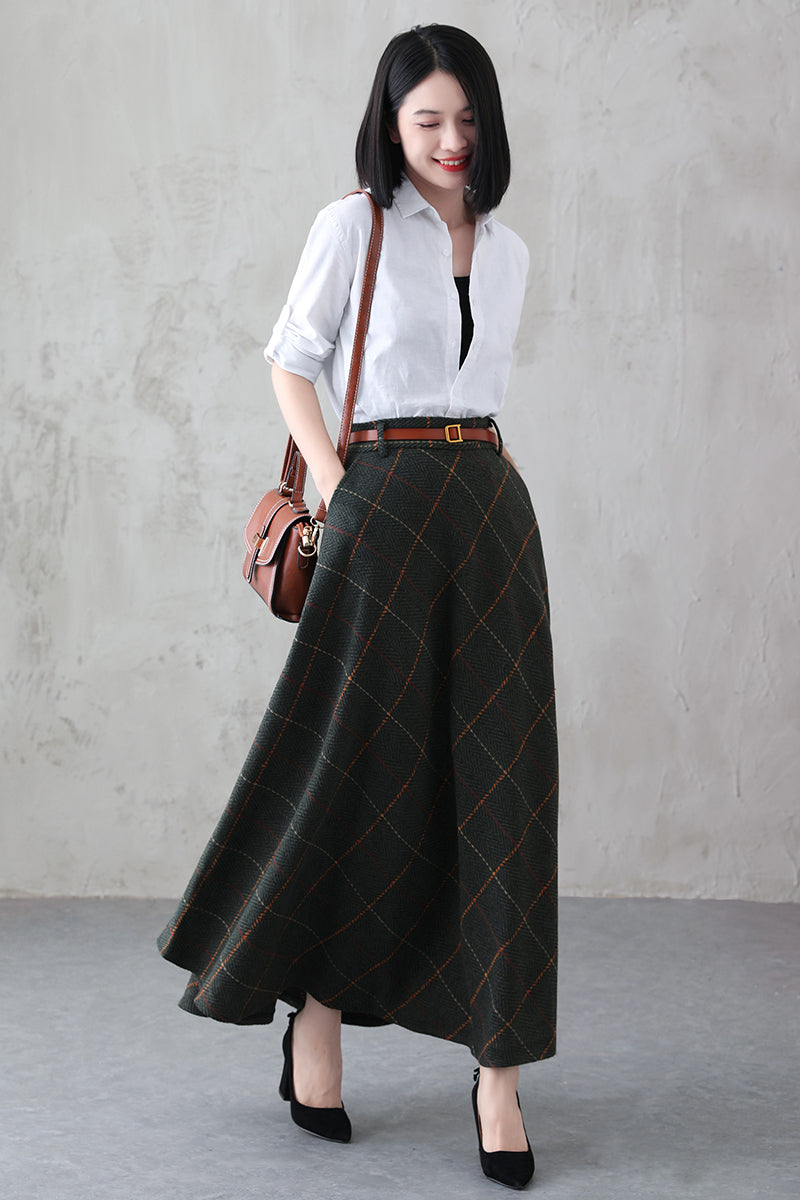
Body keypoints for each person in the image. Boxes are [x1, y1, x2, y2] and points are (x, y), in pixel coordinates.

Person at [158, 23, 557, 1191]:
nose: (449, 139)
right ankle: (316, 1019)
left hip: (490, 515)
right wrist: (335, 488)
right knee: (356, 772)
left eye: (466, 119)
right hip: (378, 505)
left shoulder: (511, 250)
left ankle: (498, 1076)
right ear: (390, 123)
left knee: (502, 787)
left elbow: (481, 395)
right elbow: (291, 362)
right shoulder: (354, 227)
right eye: (426, 119)